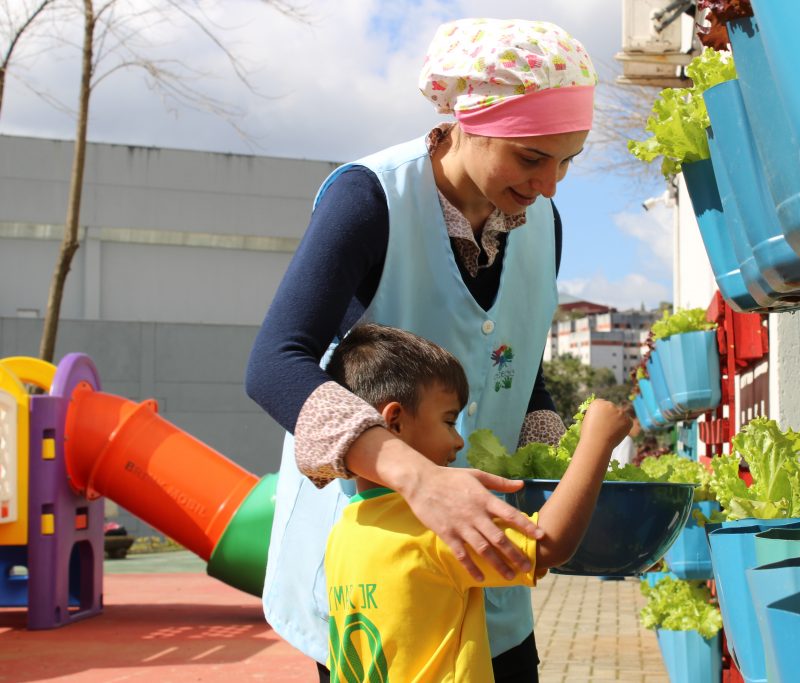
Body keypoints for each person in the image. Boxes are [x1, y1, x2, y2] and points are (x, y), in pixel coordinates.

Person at [244, 17, 599, 683]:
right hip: (377, 584)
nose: (551, 183)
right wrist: (420, 479)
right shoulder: (368, 198)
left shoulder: (542, 224)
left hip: (488, 570)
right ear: (469, 118)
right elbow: (274, 363)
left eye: (567, 160)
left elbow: (516, 365)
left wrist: (563, 474)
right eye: (531, 157)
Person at [321, 323, 631, 682]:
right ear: (395, 422)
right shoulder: (433, 529)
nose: (458, 441)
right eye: (449, 421)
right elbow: (549, 543)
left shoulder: (344, 532)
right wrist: (597, 441)